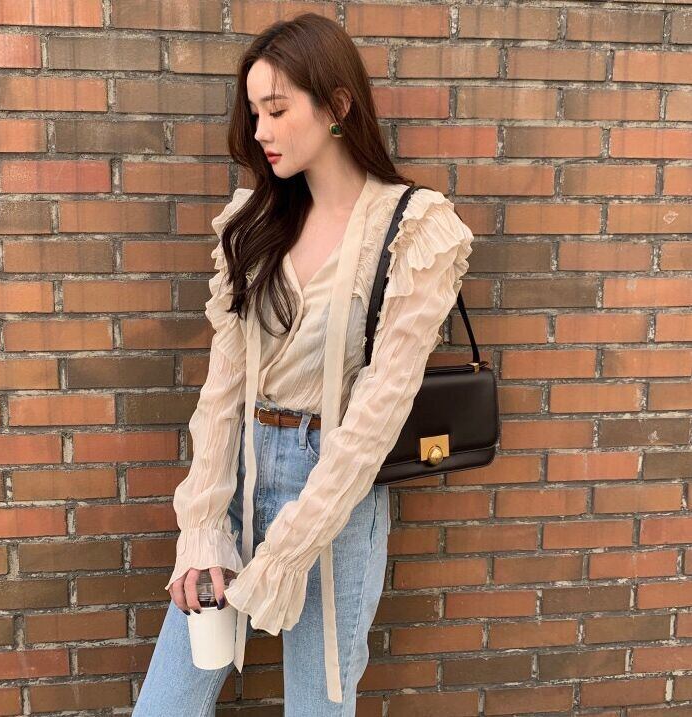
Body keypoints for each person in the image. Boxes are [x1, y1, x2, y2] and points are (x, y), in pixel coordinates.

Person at [132, 12, 474, 716]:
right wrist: (203, 525)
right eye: (254, 111)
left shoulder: (414, 230)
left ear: (337, 105)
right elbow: (222, 389)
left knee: (319, 705)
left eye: (277, 109)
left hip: (335, 494)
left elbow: (377, 414)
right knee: (167, 702)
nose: (260, 129)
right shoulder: (255, 220)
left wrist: (286, 552)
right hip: (237, 475)